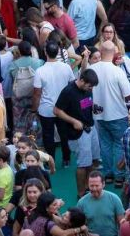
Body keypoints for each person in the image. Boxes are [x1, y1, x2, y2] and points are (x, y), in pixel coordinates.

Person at [89, 42, 130, 186]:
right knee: (118, 145)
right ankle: (119, 176)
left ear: (100, 51)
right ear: (113, 53)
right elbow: (129, 94)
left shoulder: (92, 69)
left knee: (104, 144)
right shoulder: (117, 71)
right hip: (118, 114)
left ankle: (108, 174)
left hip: (99, 114)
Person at [52, 68, 100, 196]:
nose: (91, 89)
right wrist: (73, 121)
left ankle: (89, 187)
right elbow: (56, 110)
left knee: (94, 161)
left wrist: (93, 107)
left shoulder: (87, 89)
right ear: (82, 81)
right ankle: (81, 193)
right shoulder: (68, 91)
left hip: (91, 128)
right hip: (78, 133)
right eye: (89, 86)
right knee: (83, 164)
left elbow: (84, 103)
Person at [32, 41, 76, 169]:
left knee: (48, 136)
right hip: (63, 109)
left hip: (46, 109)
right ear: (57, 52)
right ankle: (66, 159)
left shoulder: (40, 71)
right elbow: (72, 86)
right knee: (64, 134)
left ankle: (50, 161)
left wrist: (34, 108)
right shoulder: (66, 67)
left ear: (45, 52)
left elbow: (37, 93)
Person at [76, 172, 123, 236]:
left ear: (103, 184)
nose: (94, 189)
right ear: (88, 185)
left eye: (97, 186)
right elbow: (78, 226)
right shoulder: (81, 202)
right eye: (91, 186)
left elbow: (121, 222)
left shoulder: (114, 199)